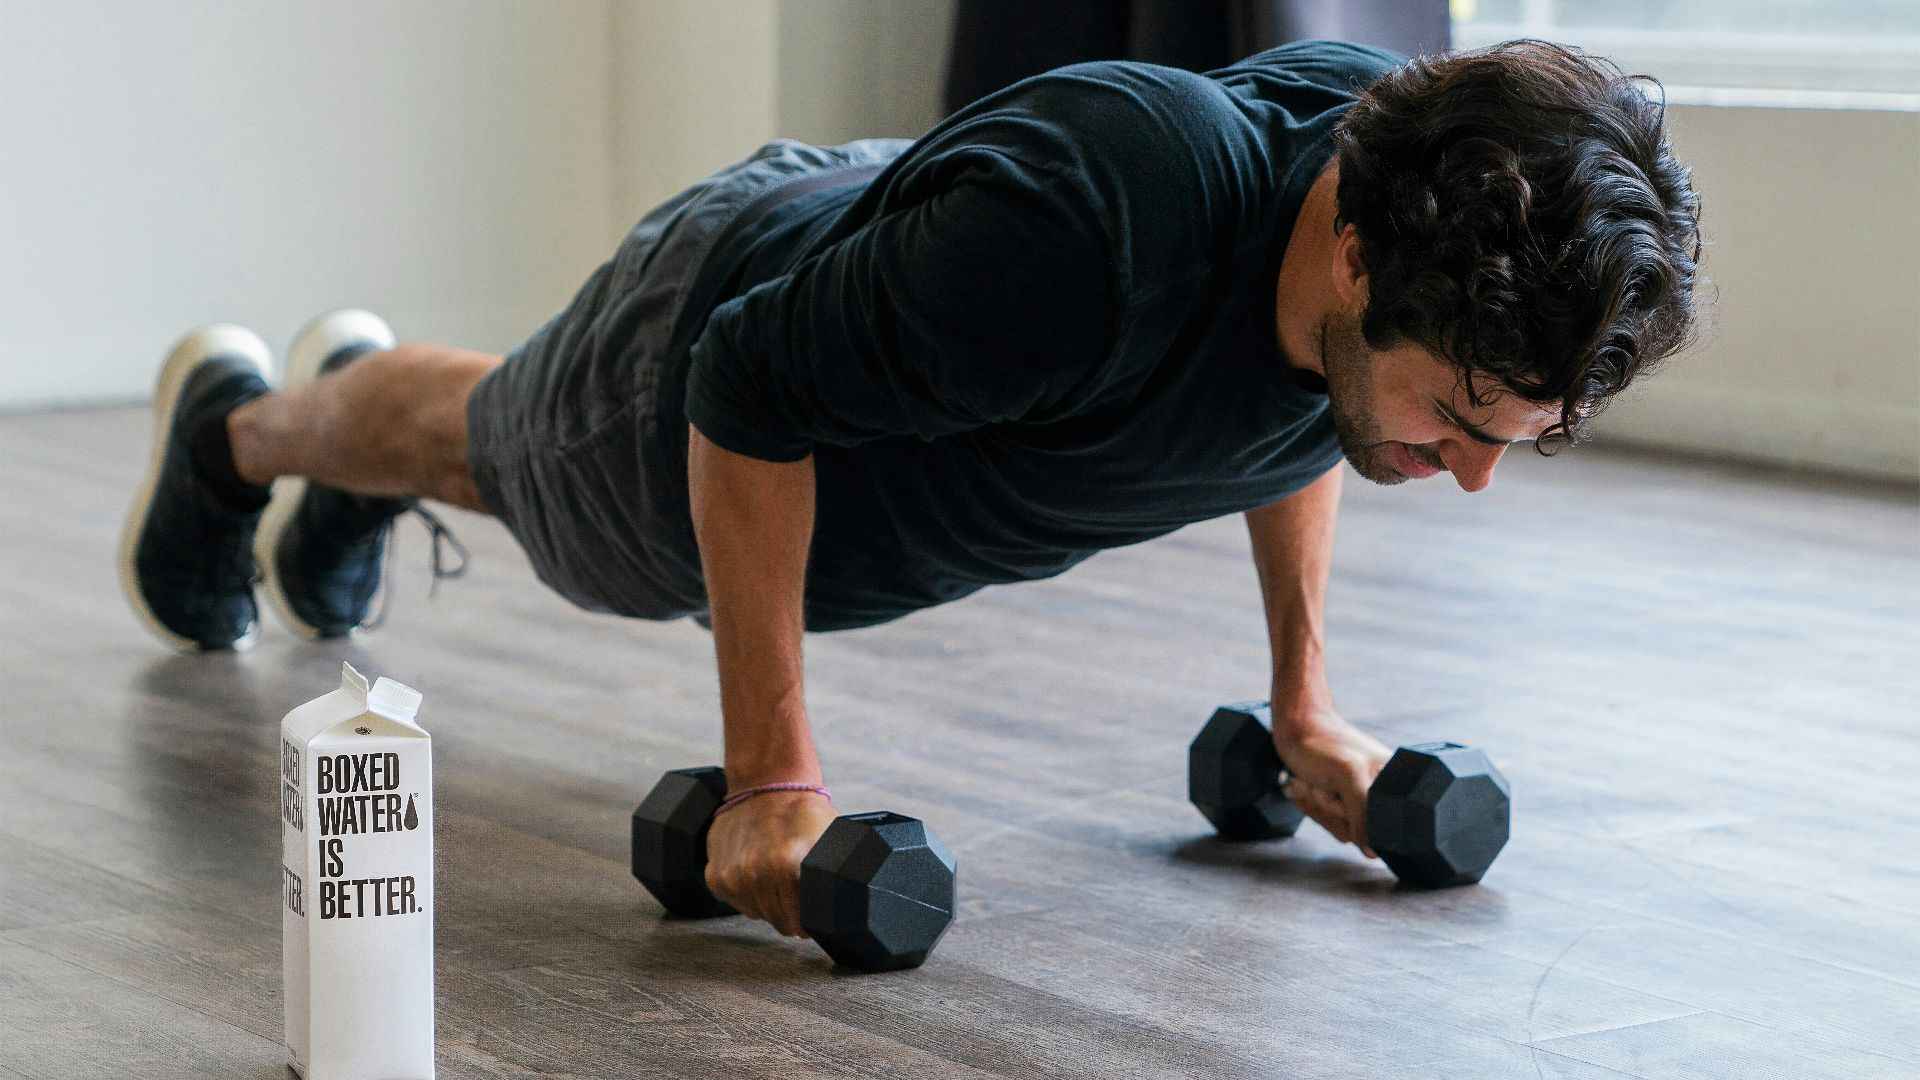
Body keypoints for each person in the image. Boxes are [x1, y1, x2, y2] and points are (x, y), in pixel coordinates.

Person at [120, 40, 1702, 939]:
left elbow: (1302, 421)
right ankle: (240, 431)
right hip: (711, 348)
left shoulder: (1391, 192)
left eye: (1519, 436)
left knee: (484, 454)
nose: (1477, 479)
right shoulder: (1106, 236)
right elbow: (748, 387)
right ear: (1354, 257)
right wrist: (770, 777)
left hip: (916, 275)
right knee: (509, 460)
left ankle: (352, 458)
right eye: (1463, 418)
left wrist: (1307, 704)